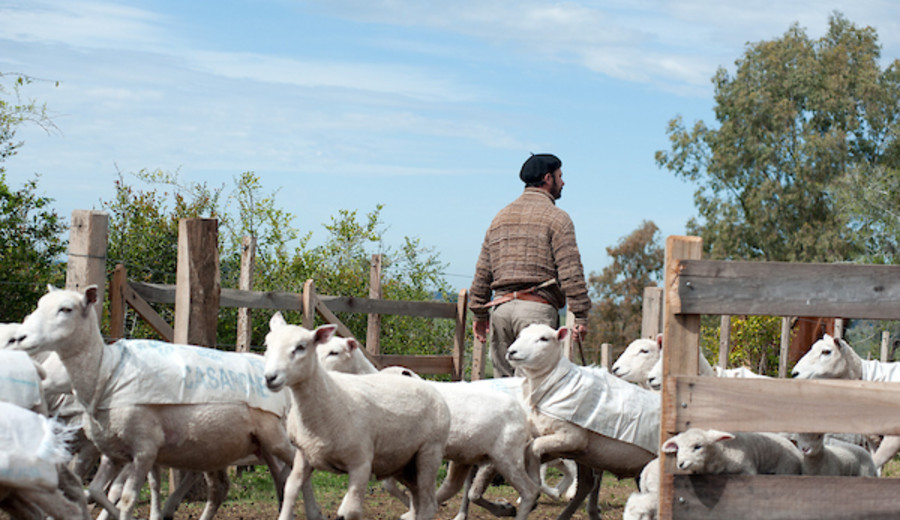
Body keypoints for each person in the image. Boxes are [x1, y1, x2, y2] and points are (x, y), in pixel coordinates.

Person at [469, 153, 591, 377]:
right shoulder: (557, 218)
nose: (563, 182)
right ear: (547, 178)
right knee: (535, 389)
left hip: (501, 312)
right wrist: (581, 315)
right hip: (536, 312)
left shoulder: (500, 217)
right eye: (560, 176)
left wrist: (479, 313)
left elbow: (483, 270)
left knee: (503, 392)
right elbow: (571, 271)